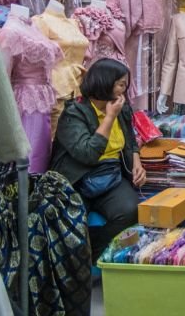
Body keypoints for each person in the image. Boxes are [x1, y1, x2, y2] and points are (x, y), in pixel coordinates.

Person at [50, 58, 146, 261]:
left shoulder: (122, 108)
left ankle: (92, 252)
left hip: (110, 174)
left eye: (125, 84)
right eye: (120, 84)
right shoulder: (74, 114)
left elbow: (129, 141)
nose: (124, 89)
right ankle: (76, 257)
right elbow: (87, 154)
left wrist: (136, 163)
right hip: (78, 178)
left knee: (130, 211)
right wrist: (109, 118)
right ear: (104, 82)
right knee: (72, 221)